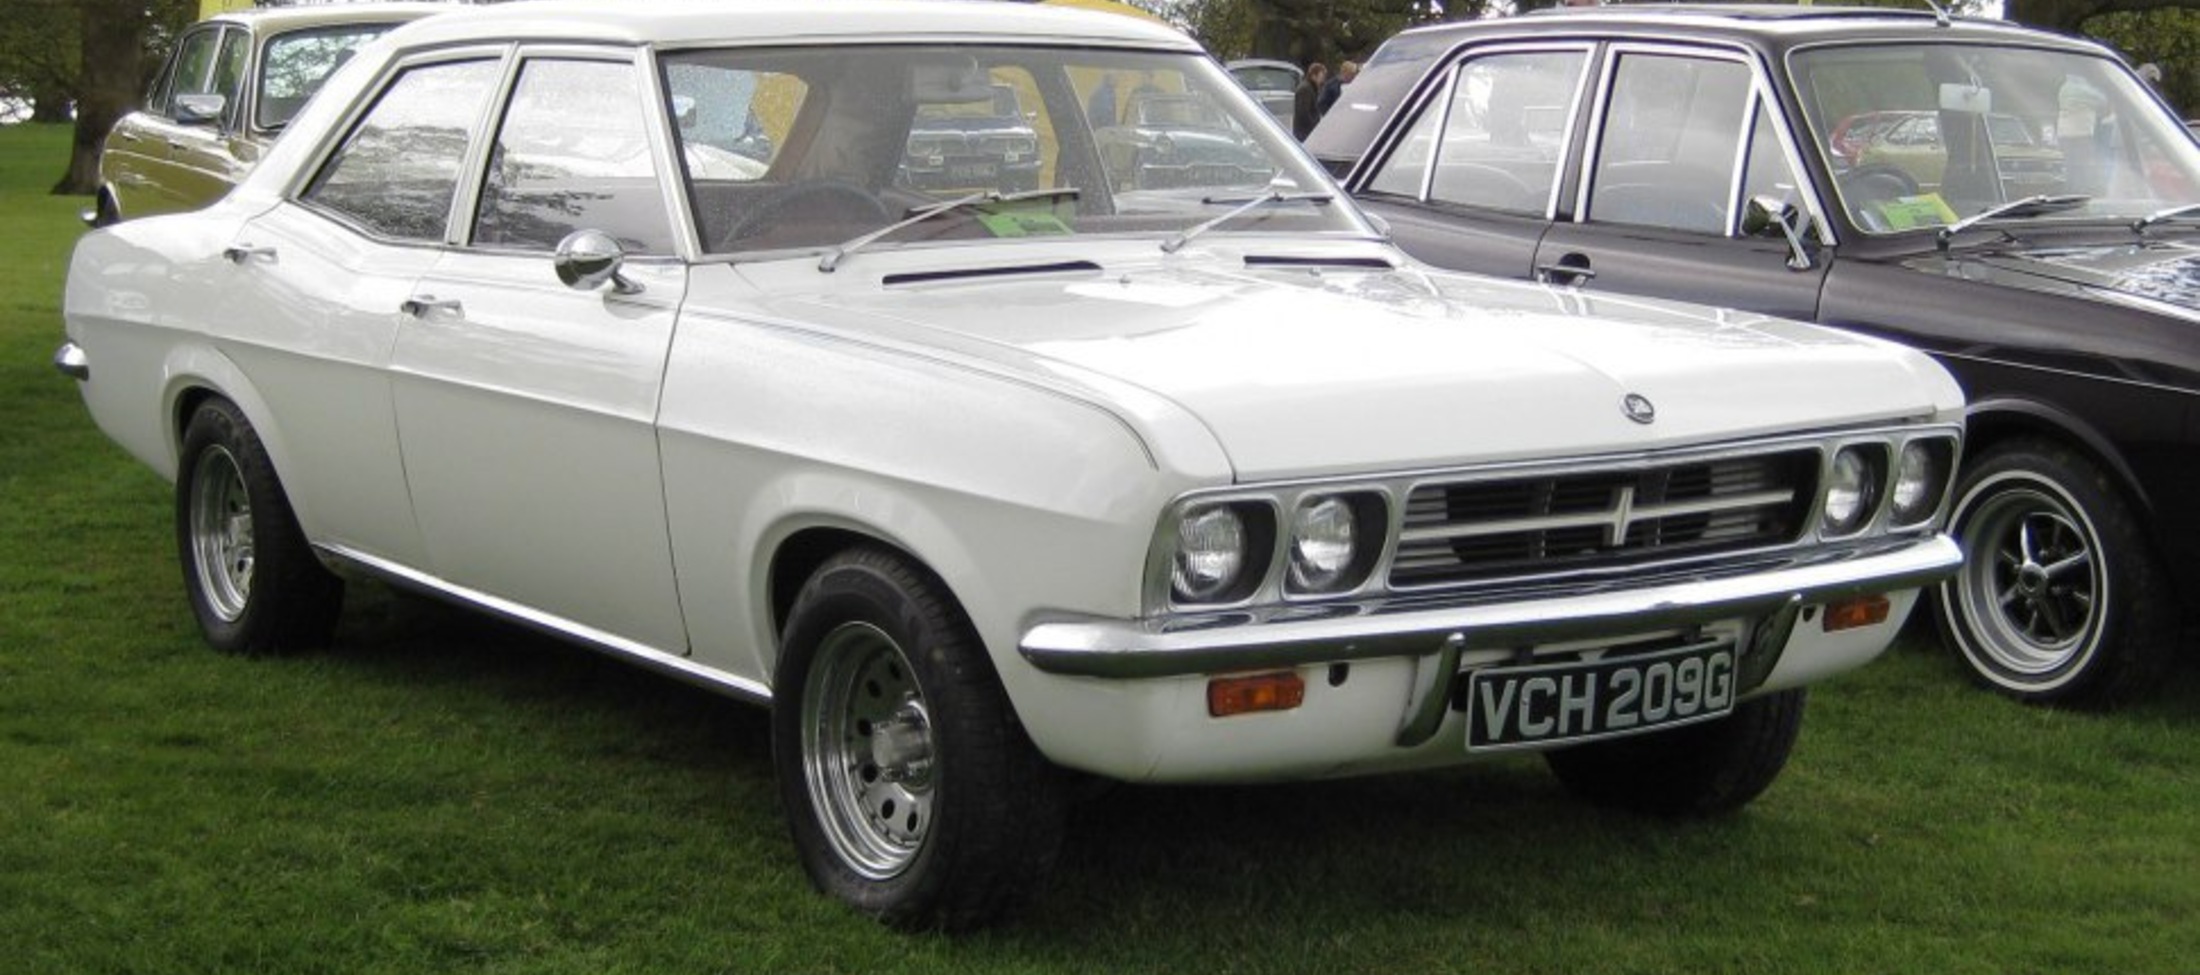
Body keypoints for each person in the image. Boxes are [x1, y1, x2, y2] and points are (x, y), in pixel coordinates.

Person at [1293, 61, 1328, 139]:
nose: (1322, 79)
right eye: (1321, 76)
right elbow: (1304, 113)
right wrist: (1314, 126)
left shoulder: (1312, 88)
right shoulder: (1305, 89)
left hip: (1306, 131)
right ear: (1313, 75)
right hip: (1304, 133)